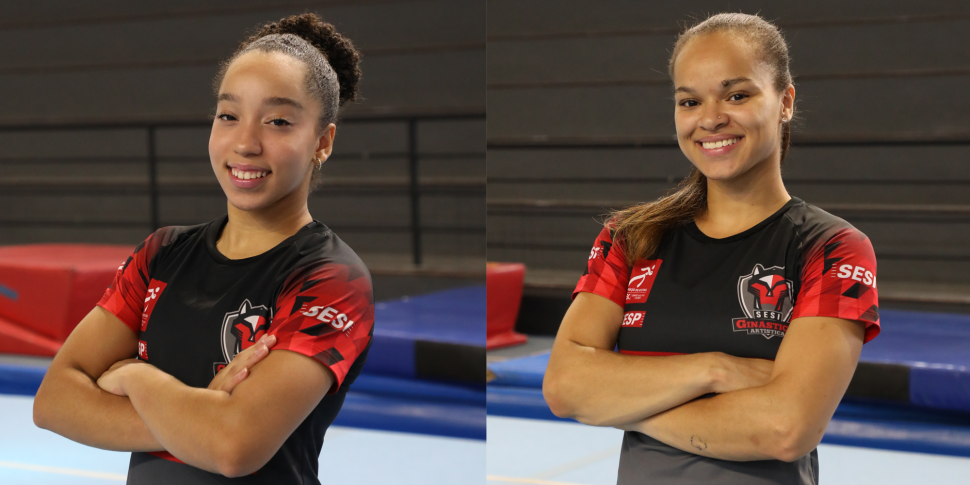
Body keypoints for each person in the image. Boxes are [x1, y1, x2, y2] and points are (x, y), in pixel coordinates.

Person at [33, 13, 373, 483]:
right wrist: (200, 415)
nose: (246, 143)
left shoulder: (332, 279)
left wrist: (138, 378)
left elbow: (233, 447)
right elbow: (53, 402)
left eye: (278, 121)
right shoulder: (162, 253)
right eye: (228, 115)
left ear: (323, 141)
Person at [543, 13, 880, 485]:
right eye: (689, 101)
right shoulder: (632, 237)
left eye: (737, 95)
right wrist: (716, 370)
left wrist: (622, 405)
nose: (710, 118)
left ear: (785, 102)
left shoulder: (833, 248)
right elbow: (563, 387)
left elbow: (785, 428)